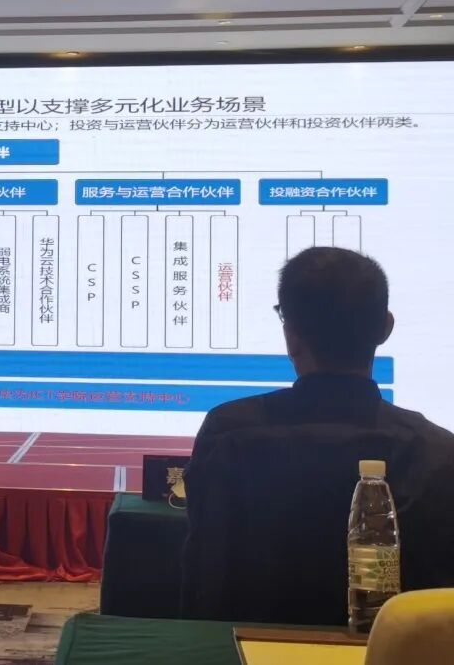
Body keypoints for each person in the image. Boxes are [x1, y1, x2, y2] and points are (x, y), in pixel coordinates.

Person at [181, 247, 454, 623]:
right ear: (385, 328)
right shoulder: (437, 452)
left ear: (290, 336)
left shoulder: (228, 431)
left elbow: (202, 579)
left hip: (238, 647)